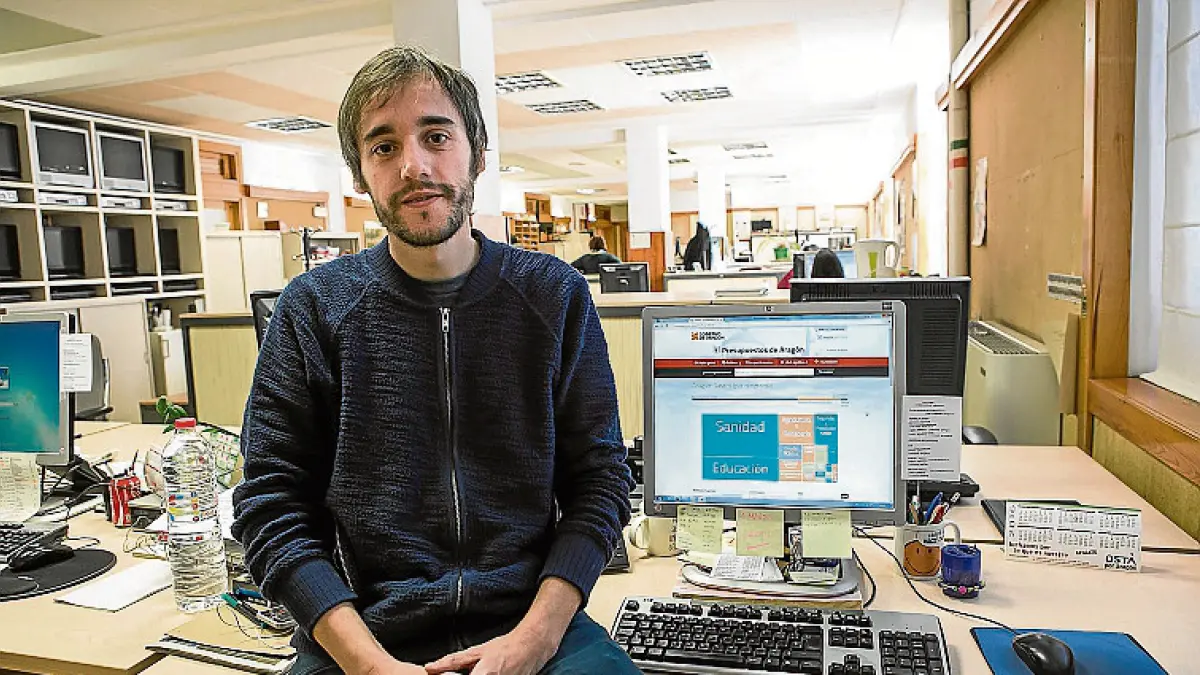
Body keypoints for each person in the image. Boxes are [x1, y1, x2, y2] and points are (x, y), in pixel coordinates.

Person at [233, 46, 636, 675]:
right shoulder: (314, 309)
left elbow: (600, 481)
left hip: (532, 622)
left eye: (436, 136)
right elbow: (271, 505)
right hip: (364, 633)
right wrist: (368, 664)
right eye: (384, 146)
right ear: (360, 174)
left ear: (478, 153)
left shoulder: (553, 295)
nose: (414, 165)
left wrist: (536, 638)